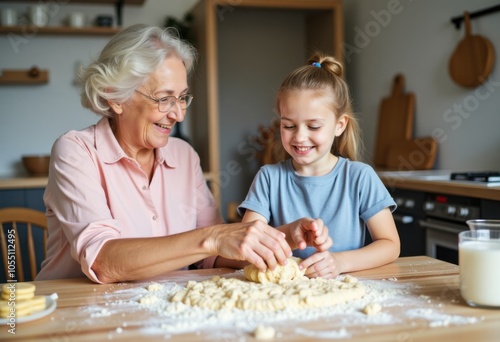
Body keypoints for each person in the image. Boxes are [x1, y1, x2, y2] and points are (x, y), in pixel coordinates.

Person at [36, 24, 331, 284]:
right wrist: (213, 238)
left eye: (182, 98)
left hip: (156, 309)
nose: (178, 114)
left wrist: (277, 240)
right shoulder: (76, 152)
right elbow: (102, 260)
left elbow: (211, 256)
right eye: (165, 99)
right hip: (74, 312)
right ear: (116, 97)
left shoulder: (184, 156)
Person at [237, 53, 400, 279]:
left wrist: (339, 262)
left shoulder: (360, 177)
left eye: (313, 126)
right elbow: (246, 246)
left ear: (339, 125)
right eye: (289, 125)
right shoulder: (268, 178)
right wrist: (289, 235)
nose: (300, 137)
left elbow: (390, 245)